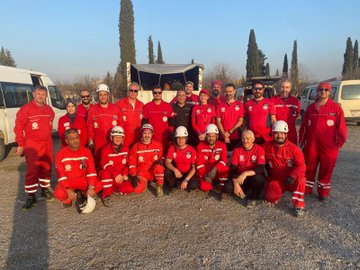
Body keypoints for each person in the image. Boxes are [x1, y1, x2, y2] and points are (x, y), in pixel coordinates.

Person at [299, 82, 347, 202]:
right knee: (309, 167)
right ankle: (307, 188)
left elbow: (341, 127)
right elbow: (304, 125)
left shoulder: (336, 108)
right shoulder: (311, 107)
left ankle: (323, 191)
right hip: (312, 144)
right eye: (321, 89)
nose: (323, 92)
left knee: (326, 168)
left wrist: (339, 142)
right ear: (317, 91)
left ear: (330, 92)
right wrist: (302, 140)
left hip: (329, 146)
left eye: (326, 90)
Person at [14, 85, 55, 210]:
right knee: (33, 170)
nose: (41, 96)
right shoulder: (25, 109)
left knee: (46, 167)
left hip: (47, 143)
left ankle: (44, 189)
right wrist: (20, 144)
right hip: (33, 144)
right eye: (38, 94)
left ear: (46, 96)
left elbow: (50, 122)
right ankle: (31, 196)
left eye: (43, 94)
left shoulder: (49, 109)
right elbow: (18, 128)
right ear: (33, 94)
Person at [264, 121, 306, 217]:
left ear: (286, 134)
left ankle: (298, 205)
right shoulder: (267, 146)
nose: (280, 136)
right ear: (273, 134)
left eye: (282, 133)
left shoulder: (294, 149)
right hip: (277, 180)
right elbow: (256, 152)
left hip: (291, 180)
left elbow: (302, 166)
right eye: (277, 133)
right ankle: (278, 191)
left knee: (301, 179)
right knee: (270, 197)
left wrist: (292, 176)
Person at [53, 129, 102, 208]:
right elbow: (61, 175)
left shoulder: (86, 152)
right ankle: (69, 198)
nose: (75, 141)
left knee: (99, 184)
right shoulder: (60, 154)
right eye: (71, 139)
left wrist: (91, 187)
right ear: (66, 141)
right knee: (58, 193)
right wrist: (68, 189)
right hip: (69, 182)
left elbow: (91, 171)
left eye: (76, 138)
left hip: (83, 180)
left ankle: (83, 193)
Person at [225, 130, 266, 208]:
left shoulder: (259, 150)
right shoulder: (237, 150)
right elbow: (232, 169)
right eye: (243, 138)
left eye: (248, 138)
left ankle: (253, 197)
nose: (245, 141)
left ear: (253, 139)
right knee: (228, 188)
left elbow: (261, 168)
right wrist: (236, 183)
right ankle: (243, 191)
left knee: (259, 179)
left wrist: (246, 173)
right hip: (240, 177)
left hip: (252, 176)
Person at [87, 83, 122, 163]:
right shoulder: (92, 109)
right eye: (100, 95)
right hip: (98, 142)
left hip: (112, 141)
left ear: (108, 95)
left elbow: (120, 125)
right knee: (99, 162)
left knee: (113, 161)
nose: (103, 97)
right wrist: (90, 140)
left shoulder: (116, 108)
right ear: (97, 96)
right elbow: (89, 126)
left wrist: (119, 140)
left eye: (105, 94)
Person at [128, 124, 165, 197]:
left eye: (149, 133)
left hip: (154, 171)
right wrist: (133, 175)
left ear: (152, 134)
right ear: (141, 133)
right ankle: (145, 182)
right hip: (142, 172)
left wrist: (160, 162)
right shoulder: (136, 146)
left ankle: (159, 186)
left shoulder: (158, 145)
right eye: (145, 133)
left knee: (159, 167)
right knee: (137, 190)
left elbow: (161, 158)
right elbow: (131, 162)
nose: (147, 135)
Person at [98, 126, 132, 206]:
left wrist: (125, 174)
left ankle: (111, 187)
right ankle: (106, 194)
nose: (118, 139)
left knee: (129, 189)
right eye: (116, 137)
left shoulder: (126, 149)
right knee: (105, 173)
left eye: (120, 137)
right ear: (111, 138)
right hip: (109, 174)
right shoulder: (105, 149)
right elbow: (104, 164)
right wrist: (115, 173)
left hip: (119, 175)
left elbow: (126, 164)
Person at [196, 124, 229, 193]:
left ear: (217, 136)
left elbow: (224, 160)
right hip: (206, 170)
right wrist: (205, 175)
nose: (211, 138)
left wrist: (215, 169)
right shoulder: (200, 146)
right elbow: (199, 164)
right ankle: (213, 184)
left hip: (217, 169)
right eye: (209, 136)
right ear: (206, 136)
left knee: (225, 169)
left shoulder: (222, 145)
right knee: (204, 187)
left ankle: (221, 186)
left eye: (213, 136)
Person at [164, 126, 199, 192]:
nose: (181, 140)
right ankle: (176, 184)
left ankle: (179, 184)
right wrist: (175, 170)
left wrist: (186, 179)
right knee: (167, 172)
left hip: (187, 173)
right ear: (176, 138)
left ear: (186, 139)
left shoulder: (191, 149)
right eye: (178, 138)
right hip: (177, 173)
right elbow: (167, 162)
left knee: (194, 185)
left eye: (183, 138)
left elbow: (194, 167)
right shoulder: (172, 147)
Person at [142, 85, 174, 152]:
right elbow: (144, 123)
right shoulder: (147, 106)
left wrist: (171, 133)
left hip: (164, 137)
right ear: (152, 93)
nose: (157, 94)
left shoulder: (167, 106)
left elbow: (171, 122)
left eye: (159, 92)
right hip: (152, 138)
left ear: (162, 93)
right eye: (155, 92)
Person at [244, 81, 276, 145]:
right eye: (255, 89)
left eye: (260, 89)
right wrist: (244, 133)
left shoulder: (270, 103)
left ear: (263, 90)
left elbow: (273, 120)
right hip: (251, 136)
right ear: (252, 90)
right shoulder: (248, 103)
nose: (257, 91)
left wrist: (274, 134)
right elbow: (245, 120)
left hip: (265, 137)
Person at [216, 83, 244, 151]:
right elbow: (218, 122)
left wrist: (229, 132)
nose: (228, 93)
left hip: (235, 136)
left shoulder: (240, 105)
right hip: (222, 137)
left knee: (234, 157)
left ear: (234, 92)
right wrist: (224, 134)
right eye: (226, 92)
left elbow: (241, 121)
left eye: (230, 91)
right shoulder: (220, 106)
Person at [271, 79, 300, 144]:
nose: (284, 90)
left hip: (291, 132)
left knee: (291, 152)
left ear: (290, 88)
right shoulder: (272, 100)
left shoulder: (295, 101)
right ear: (279, 87)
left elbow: (297, 115)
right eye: (282, 87)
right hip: (277, 133)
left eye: (287, 87)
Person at [116, 82, 144, 148]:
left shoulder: (141, 105)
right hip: (124, 138)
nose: (133, 92)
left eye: (135, 91)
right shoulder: (120, 104)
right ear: (128, 91)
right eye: (131, 90)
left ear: (137, 92)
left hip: (138, 137)